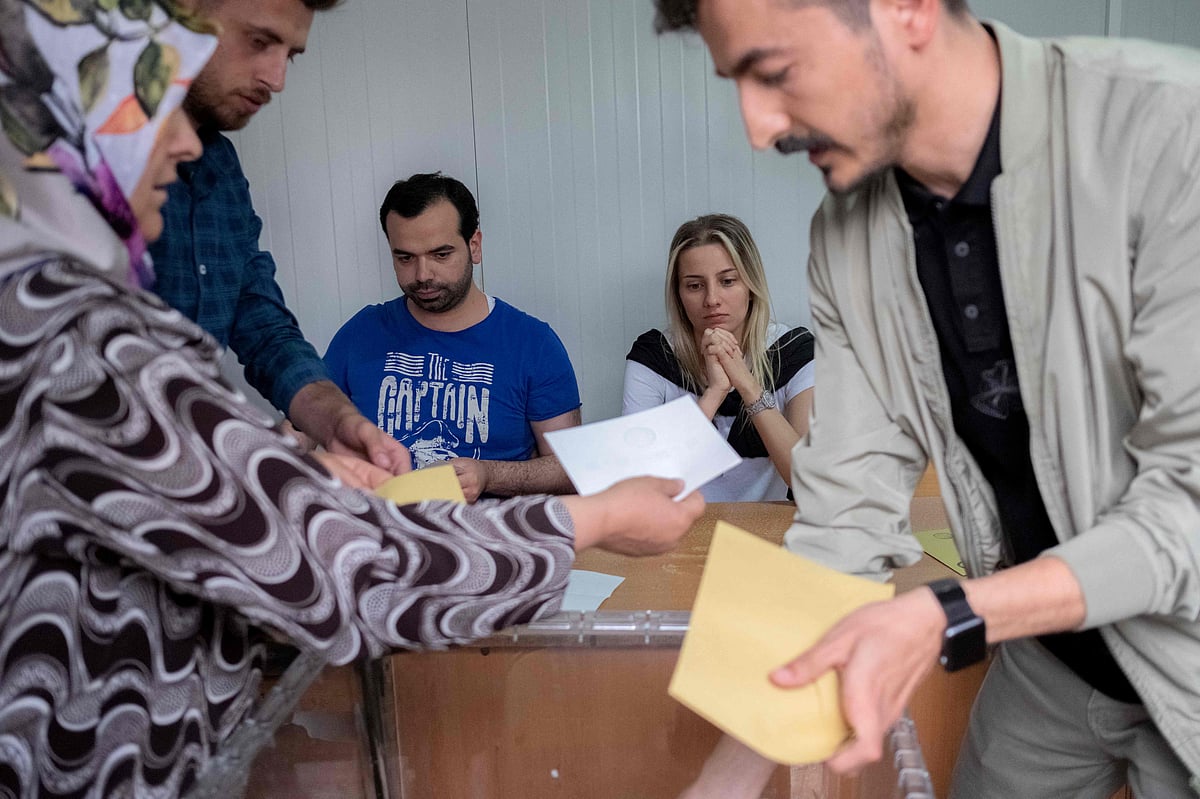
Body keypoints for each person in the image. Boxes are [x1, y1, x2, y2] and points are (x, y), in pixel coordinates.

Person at [0, 5, 705, 797]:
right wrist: (598, 518)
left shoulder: (74, 301)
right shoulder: (78, 338)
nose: (189, 146)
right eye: (146, 109)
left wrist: (310, 444)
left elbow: (252, 352)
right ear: (52, 128)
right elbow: (349, 564)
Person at [653, 0, 1200, 797]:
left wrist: (951, 612)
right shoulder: (847, 234)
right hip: (1049, 657)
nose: (758, 128)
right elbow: (842, 514)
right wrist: (724, 783)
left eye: (774, 73)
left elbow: (1189, 507)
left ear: (906, 10)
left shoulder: (1170, 132)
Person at [146, 0, 410, 475]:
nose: (276, 79)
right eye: (259, 42)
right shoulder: (55, 165)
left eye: (290, 55)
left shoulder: (221, 166)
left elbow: (262, 324)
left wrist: (337, 420)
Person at [325, 172, 583, 503]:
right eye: (405, 258)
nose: (422, 275)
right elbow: (297, 437)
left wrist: (489, 475)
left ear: (474, 246)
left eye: (441, 254)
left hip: (490, 530)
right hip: (378, 525)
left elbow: (570, 470)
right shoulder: (360, 333)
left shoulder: (533, 344)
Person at [623, 214, 814, 501]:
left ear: (750, 285)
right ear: (678, 294)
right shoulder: (653, 356)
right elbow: (639, 484)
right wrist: (714, 393)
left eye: (727, 281)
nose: (712, 299)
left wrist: (747, 386)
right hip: (679, 523)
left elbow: (808, 485)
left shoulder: (795, 351)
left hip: (769, 526)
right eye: (695, 285)